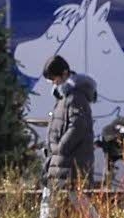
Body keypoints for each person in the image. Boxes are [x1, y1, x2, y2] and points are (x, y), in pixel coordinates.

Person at [40, 55, 95, 191]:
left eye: (54, 79)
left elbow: (78, 126)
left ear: (64, 74)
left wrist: (60, 149)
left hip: (68, 160)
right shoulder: (65, 96)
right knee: (60, 199)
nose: (54, 83)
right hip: (61, 160)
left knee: (70, 198)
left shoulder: (75, 96)